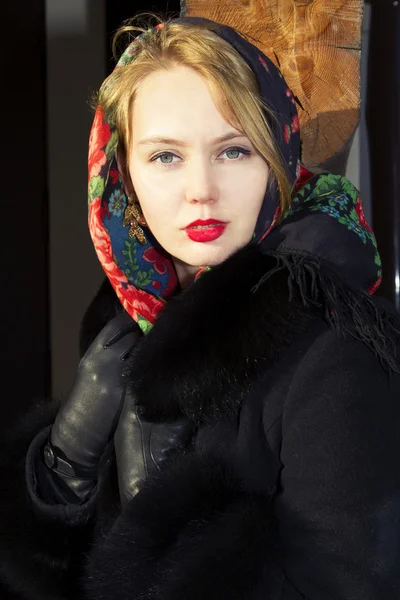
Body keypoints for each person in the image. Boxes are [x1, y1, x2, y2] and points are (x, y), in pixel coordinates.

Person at [1, 13, 400, 600]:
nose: (201, 188)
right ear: (122, 173)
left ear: (277, 159)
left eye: (234, 151)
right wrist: (62, 469)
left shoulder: (334, 350)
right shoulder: (129, 321)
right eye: (165, 156)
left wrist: (158, 518)